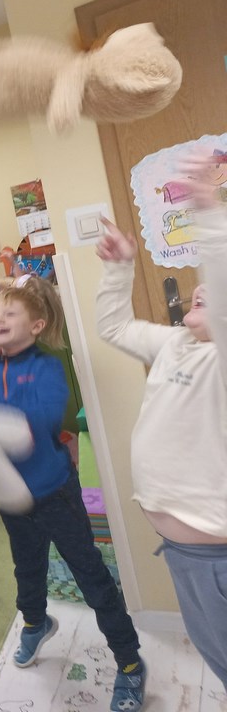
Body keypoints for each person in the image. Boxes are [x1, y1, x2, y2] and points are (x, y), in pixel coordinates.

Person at [0, 272, 145, 710]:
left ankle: (129, 662)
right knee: (27, 569)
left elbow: (43, 419)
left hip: (54, 494)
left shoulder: (46, 367)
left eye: (10, 313)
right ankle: (35, 623)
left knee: (91, 576)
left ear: (37, 325)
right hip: (12, 497)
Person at [96, 193, 227, 690]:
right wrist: (119, 269)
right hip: (184, 554)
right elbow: (114, 326)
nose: (200, 288)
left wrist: (209, 213)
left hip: (216, 562)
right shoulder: (177, 343)